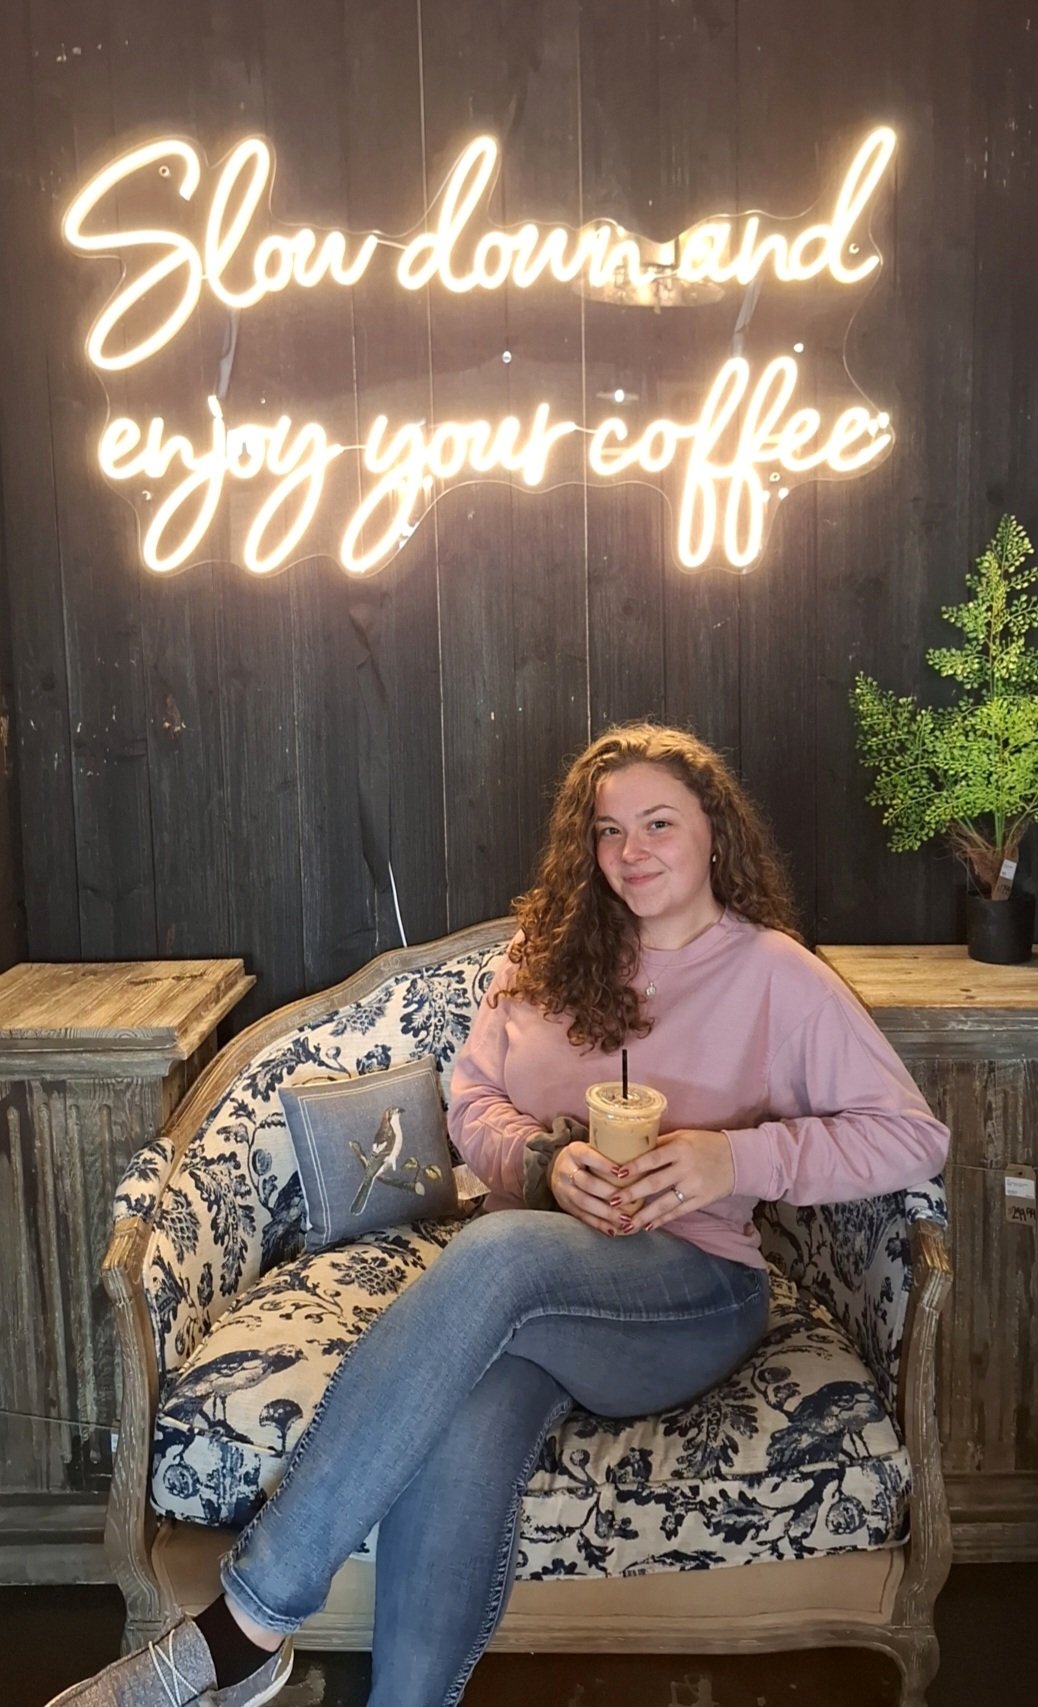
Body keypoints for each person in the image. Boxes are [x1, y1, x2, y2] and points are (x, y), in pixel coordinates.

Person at [50, 722, 949, 1707]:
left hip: (692, 1292)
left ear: (716, 835)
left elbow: (912, 1137)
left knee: (501, 1248)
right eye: (609, 831)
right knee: (467, 1410)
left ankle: (245, 1627)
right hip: (546, 1286)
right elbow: (472, 1099)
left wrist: (732, 1156)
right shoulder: (549, 955)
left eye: (659, 823)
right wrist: (543, 1163)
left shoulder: (777, 975)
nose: (631, 851)